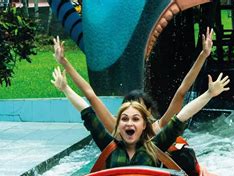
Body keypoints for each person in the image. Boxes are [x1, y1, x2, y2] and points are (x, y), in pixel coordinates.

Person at [51, 66, 230, 169]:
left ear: (145, 124)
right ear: (119, 124)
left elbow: (182, 115)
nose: (129, 123)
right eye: (125, 119)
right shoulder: (109, 146)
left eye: (135, 119)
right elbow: (87, 112)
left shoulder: (155, 145)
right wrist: (65, 88)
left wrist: (209, 94)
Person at [53, 27, 215, 133]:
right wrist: (64, 64)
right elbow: (90, 96)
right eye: (126, 115)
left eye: (137, 114)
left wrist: (203, 56)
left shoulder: (157, 130)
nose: (130, 118)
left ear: (147, 116)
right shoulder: (117, 129)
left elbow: (181, 92)